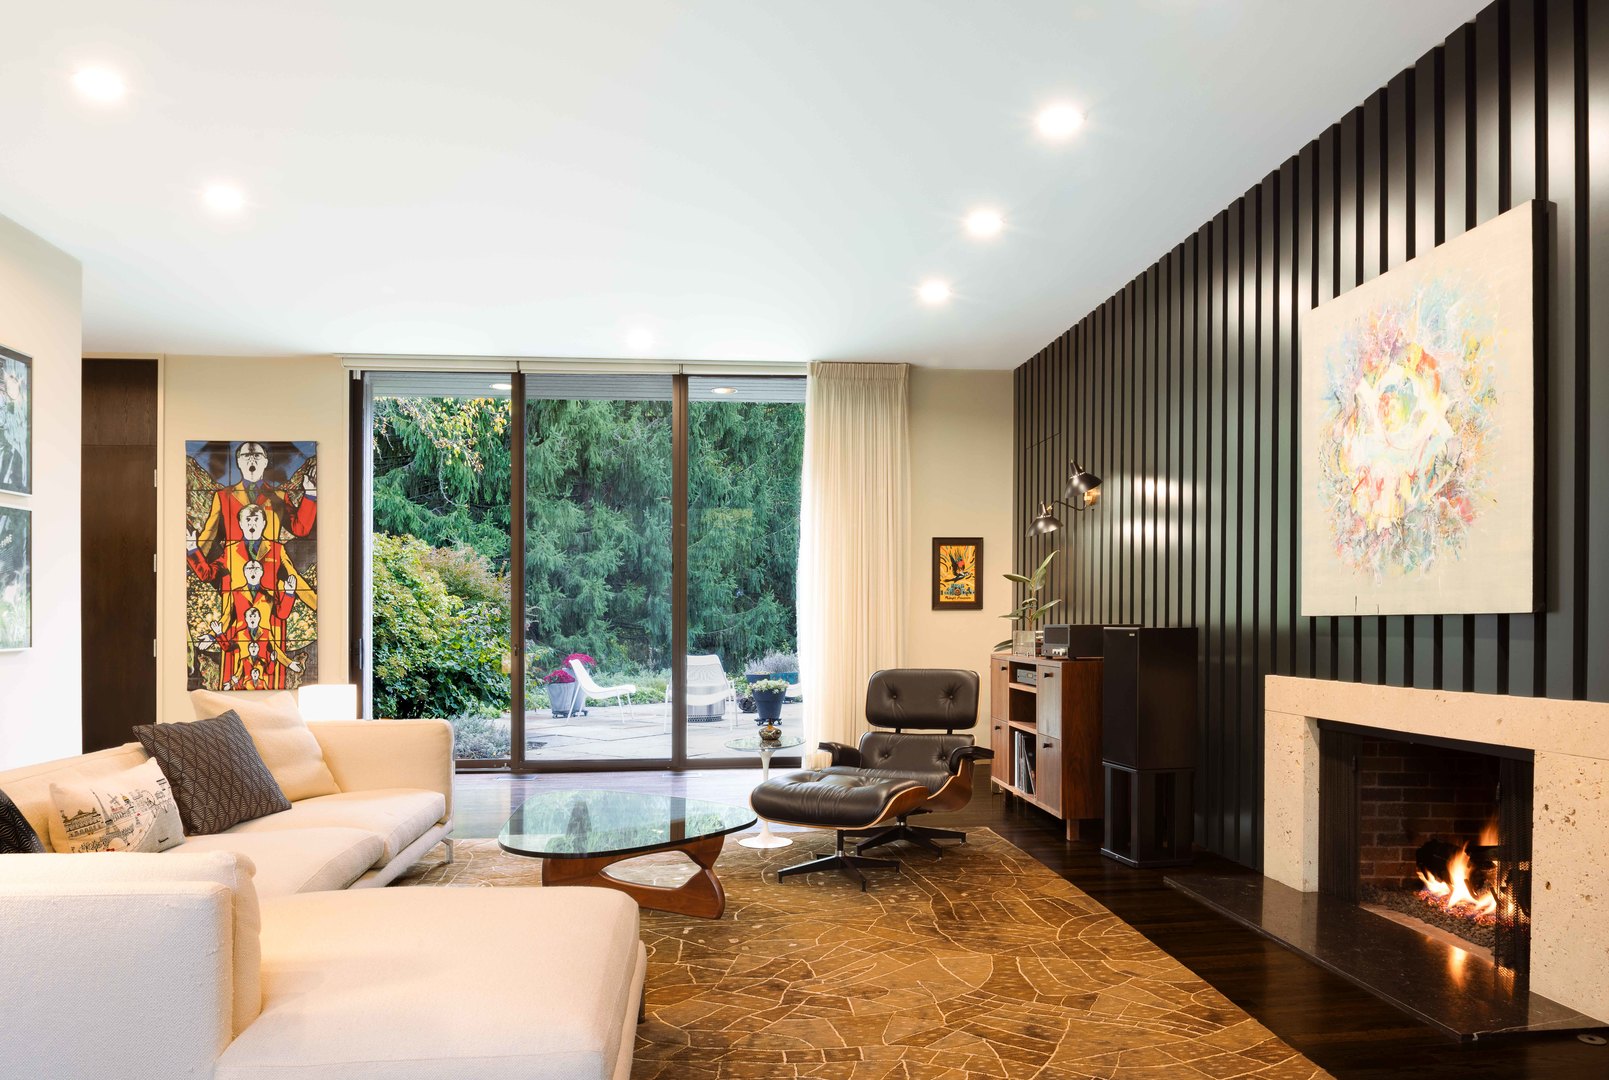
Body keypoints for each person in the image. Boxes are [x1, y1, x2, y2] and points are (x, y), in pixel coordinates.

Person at [193, 442, 316, 566]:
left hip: (269, 569)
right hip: (235, 570)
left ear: (265, 462)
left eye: (257, 455)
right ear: (239, 462)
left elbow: (300, 529)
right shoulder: (222, 496)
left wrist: (310, 494)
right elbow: (209, 535)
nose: (252, 459)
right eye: (247, 455)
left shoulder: (279, 496)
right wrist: (193, 559)